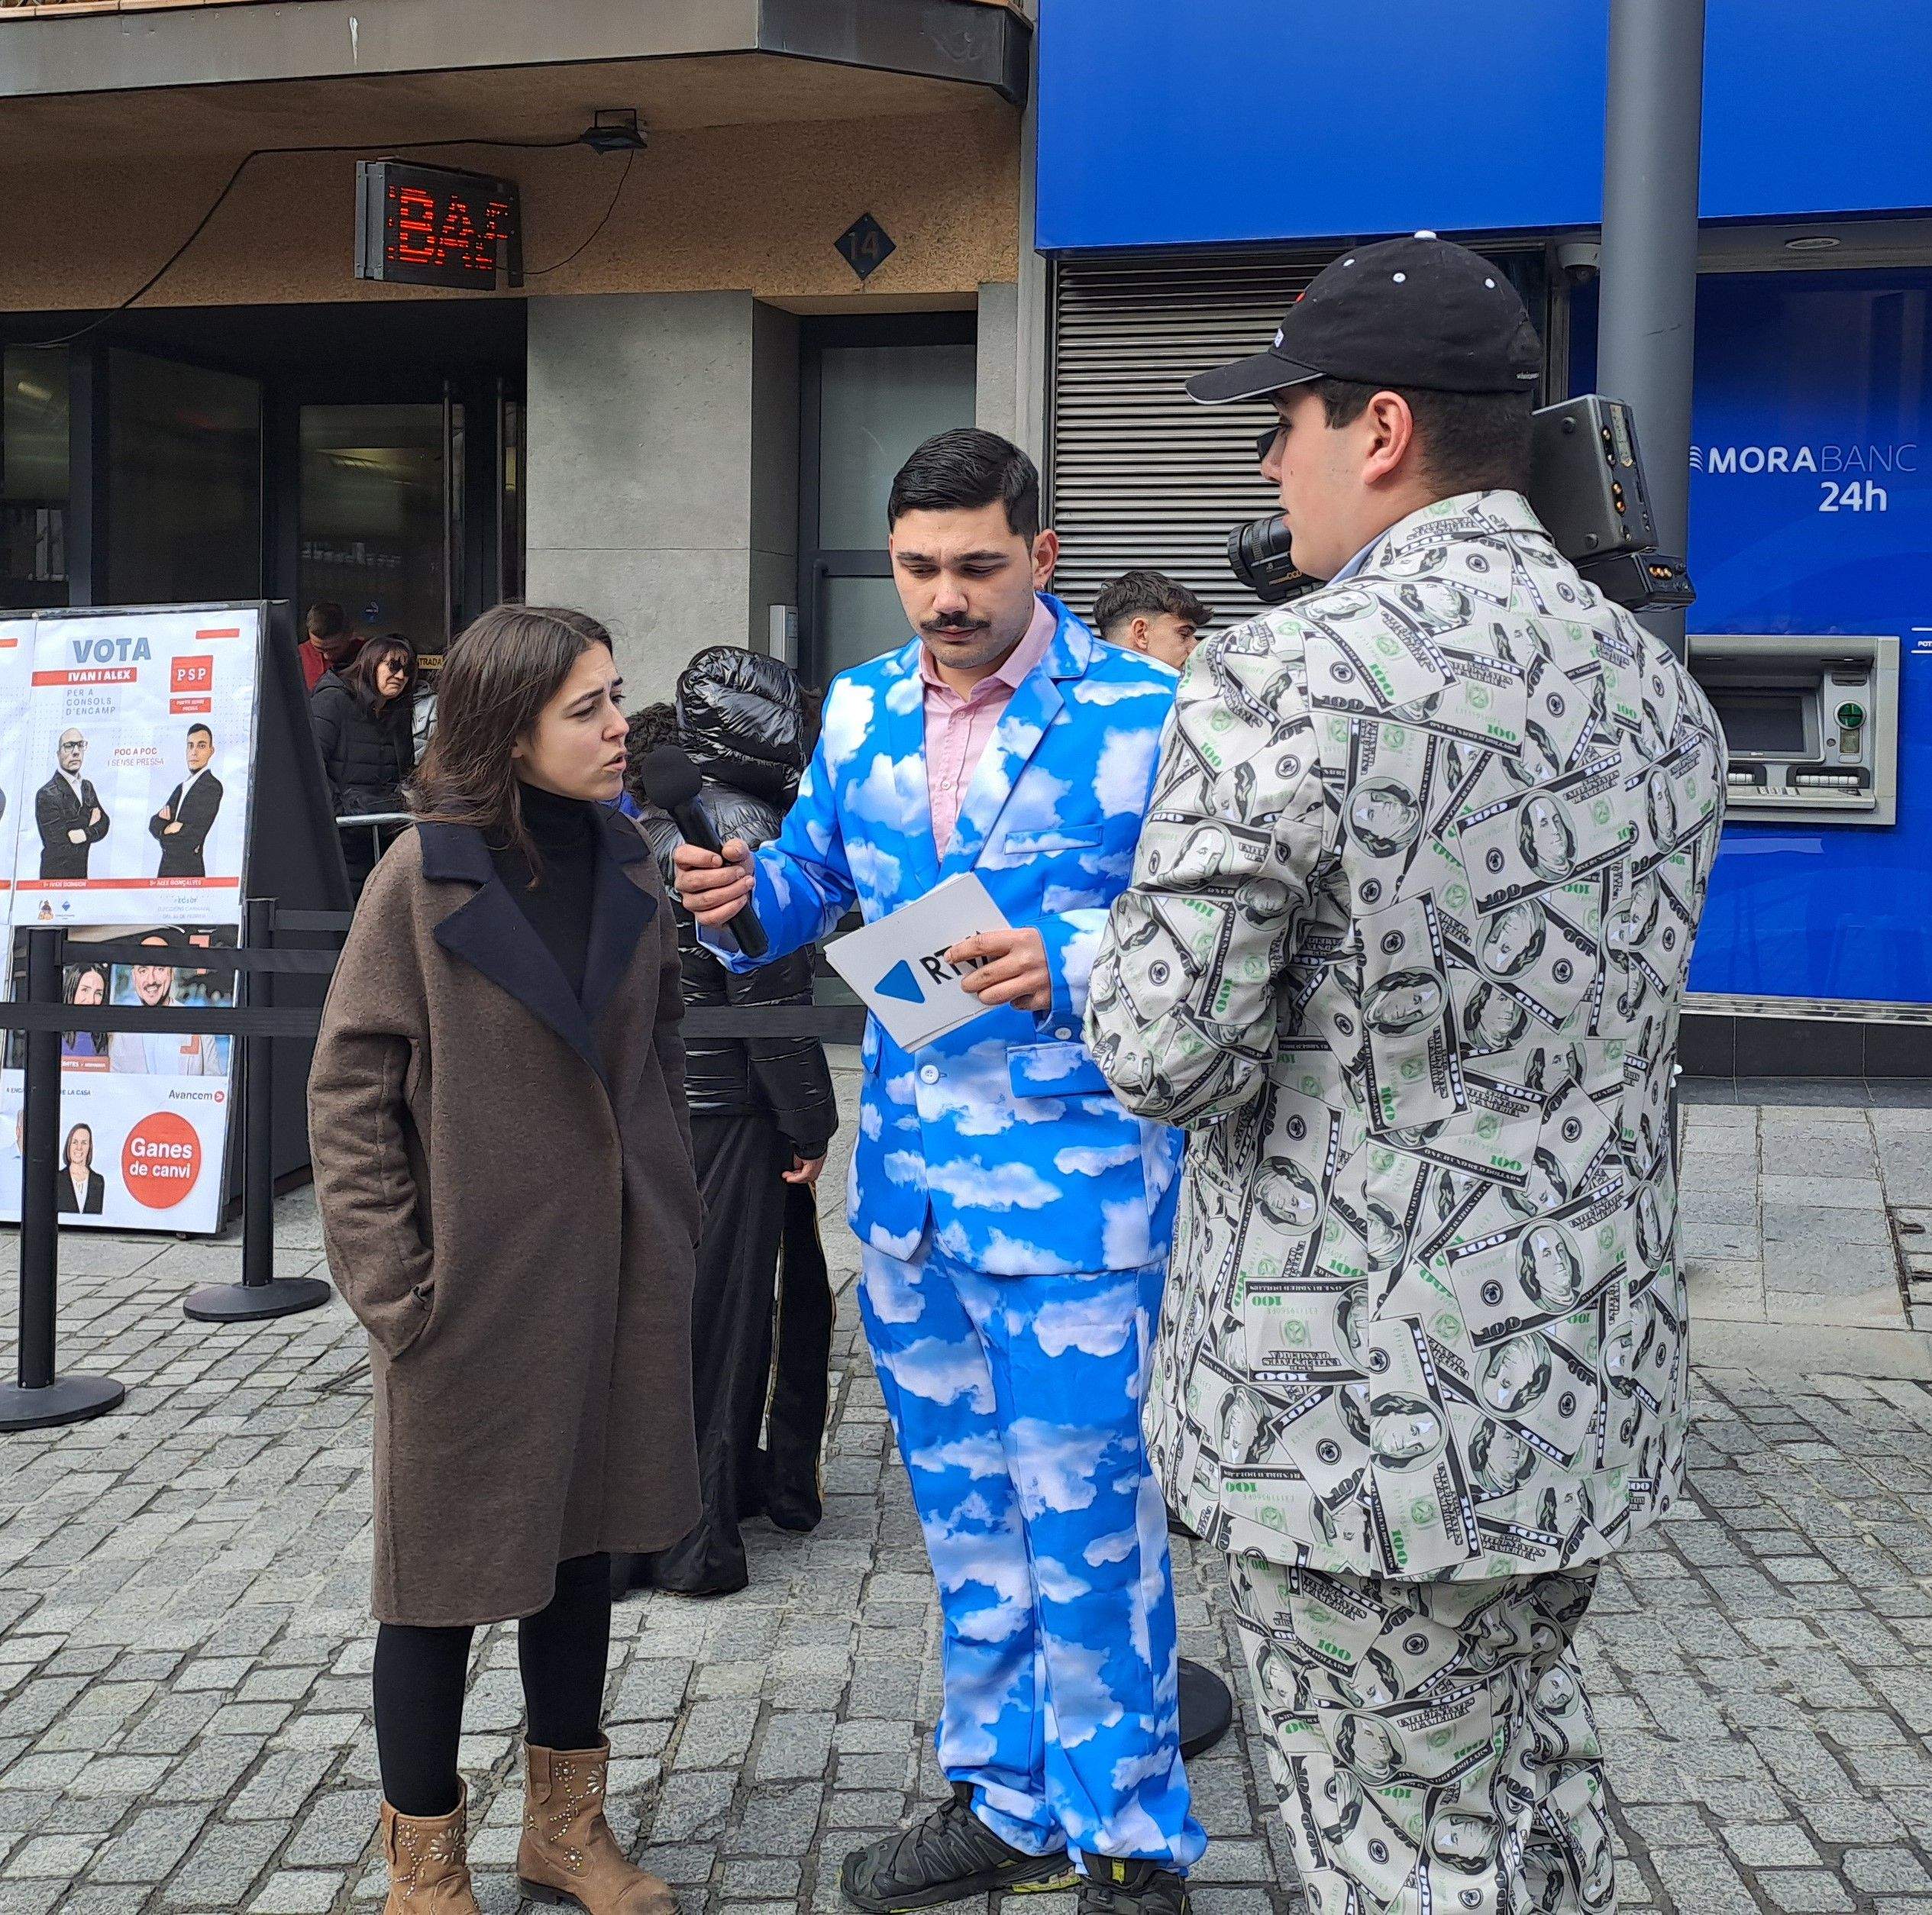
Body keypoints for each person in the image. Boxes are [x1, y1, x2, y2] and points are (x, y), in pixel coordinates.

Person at [1085, 236, 1727, 1915]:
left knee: (1390, 1858)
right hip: (1575, 1388)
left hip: (1350, 1433)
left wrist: (1095, 953)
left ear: (1374, 428)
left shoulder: (1281, 673)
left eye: (1274, 425)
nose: (1264, 465)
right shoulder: (1651, 689)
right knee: (1529, 1794)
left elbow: (1161, 1054)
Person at [674, 429, 1203, 1915]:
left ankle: (1129, 1847)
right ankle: (1008, 1800)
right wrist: (735, 901)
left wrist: (1074, 959)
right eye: (915, 569)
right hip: (909, 1208)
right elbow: (814, 898)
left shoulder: (1155, 713)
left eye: (975, 566)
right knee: (969, 1534)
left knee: (1092, 1543)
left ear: (1040, 557)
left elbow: (1231, 944)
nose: (942, 599)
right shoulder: (853, 714)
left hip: (1085, 1212)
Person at [307, 603, 703, 1915]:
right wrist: (396, 1288)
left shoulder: (633, 858)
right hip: (469, 1294)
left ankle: (564, 1829)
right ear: (508, 725)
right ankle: (424, 1868)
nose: (616, 728)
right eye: (586, 707)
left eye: (617, 696)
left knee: (579, 1557)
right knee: (433, 1586)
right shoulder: (422, 879)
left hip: (611, 1277)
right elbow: (353, 1088)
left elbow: (650, 1055)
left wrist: (669, 1214)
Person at [623, 648, 838, 1598]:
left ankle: (674, 1512)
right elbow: (770, 1000)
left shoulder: (665, 811)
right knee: (727, 1323)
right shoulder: (744, 822)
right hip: (734, 1111)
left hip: (673, 1102)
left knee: (684, 1318)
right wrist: (810, 1124)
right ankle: (698, 1530)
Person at [312, 633, 419, 890]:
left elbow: (403, 773)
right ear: (372, 664)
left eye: (407, 669)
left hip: (380, 839)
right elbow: (311, 767)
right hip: (337, 842)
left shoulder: (397, 713)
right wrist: (341, 812)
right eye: (393, 666)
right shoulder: (333, 700)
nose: (400, 676)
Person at [107, 932, 226, 1077]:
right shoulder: (122, 1031)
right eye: (143, 970)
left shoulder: (199, 1026)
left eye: (160, 969)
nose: (151, 980)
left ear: (172, 973)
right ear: (134, 977)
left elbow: (213, 1088)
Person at [1091, 570, 1212, 670]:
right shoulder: (1172, 697)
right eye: (1184, 635)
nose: (1195, 649)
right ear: (1141, 633)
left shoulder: (1080, 694)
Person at [148, 723, 225, 880]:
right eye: (190, 746)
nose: (194, 752)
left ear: (211, 751)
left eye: (201, 746)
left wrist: (164, 830)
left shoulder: (211, 786)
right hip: (165, 875)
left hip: (189, 875)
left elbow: (190, 838)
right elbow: (154, 823)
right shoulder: (181, 787)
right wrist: (167, 830)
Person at [34, 728, 109, 880]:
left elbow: (104, 823)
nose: (76, 752)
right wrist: (90, 825)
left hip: (81, 875)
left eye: (80, 745)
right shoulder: (47, 794)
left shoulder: (87, 787)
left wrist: (83, 833)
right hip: (55, 879)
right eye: (69, 746)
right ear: (58, 754)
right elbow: (60, 846)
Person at [298, 599, 362, 693]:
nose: (327, 656)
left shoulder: (368, 655)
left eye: (334, 649)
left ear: (350, 634)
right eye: (318, 648)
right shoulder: (297, 656)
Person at [61, 962, 111, 1064]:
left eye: (98, 993)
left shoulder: (107, 1038)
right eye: (85, 990)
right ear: (72, 991)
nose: (91, 1000)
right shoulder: (52, 1034)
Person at [56, 1122, 104, 1215]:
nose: (79, 1148)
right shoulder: (57, 1179)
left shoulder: (98, 1181)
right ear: (69, 1145)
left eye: (84, 1143)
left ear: (89, 1147)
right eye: (75, 1142)